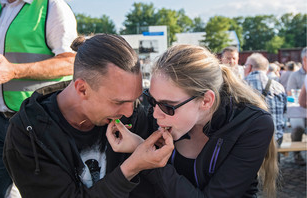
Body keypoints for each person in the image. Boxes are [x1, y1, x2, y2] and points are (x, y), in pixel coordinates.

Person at [3, 34, 174, 198]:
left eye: (136, 99)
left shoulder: (133, 114)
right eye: (118, 102)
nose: (129, 111)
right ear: (82, 89)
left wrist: (142, 147)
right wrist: (130, 168)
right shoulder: (29, 134)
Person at [107, 45, 279, 197]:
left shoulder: (252, 124)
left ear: (205, 101)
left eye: (168, 106)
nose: (155, 114)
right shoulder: (159, 115)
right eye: (152, 100)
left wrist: (145, 155)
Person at [0, 0, 78, 197]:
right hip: (1, 122)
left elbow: (70, 62)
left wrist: (14, 71)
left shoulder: (51, 6)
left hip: (40, 123)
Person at [244, 53, 286, 146]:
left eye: (245, 65)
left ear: (249, 67)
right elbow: (284, 111)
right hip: (276, 139)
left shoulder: (240, 85)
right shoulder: (278, 87)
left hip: (249, 141)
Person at [286, 47, 307, 166]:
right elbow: (290, 94)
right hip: (298, 110)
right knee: (297, 128)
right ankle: (297, 154)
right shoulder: (295, 75)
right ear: (304, 59)